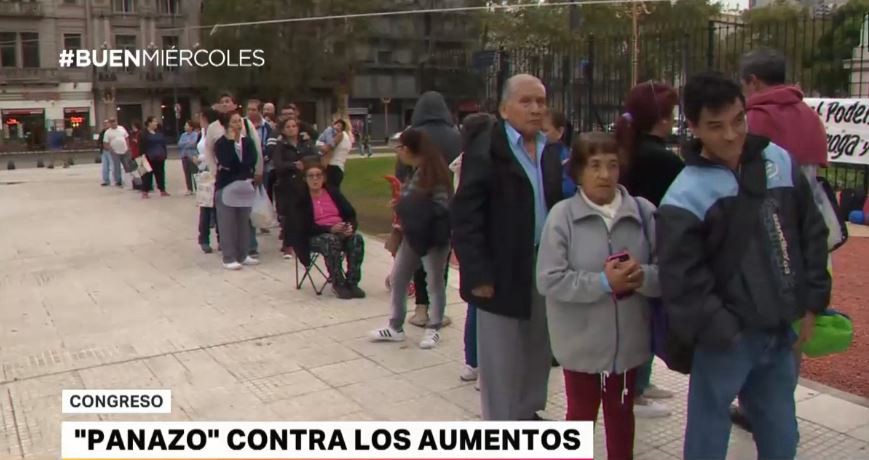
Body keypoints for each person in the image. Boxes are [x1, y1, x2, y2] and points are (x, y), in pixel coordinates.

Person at [656, 71, 831, 460]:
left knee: (781, 433)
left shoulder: (779, 160)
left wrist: (811, 304)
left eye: (738, 119)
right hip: (726, 338)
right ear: (695, 128)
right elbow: (682, 281)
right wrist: (724, 331)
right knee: (708, 433)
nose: (732, 135)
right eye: (716, 127)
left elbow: (812, 234)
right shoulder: (683, 195)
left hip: (780, 329)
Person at [537, 132, 660, 459]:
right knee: (579, 415)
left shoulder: (644, 213)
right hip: (581, 343)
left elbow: (667, 274)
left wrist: (641, 277)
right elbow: (548, 280)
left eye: (612, 165)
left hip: (628, 343)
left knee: (621, 417)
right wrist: (603, 283)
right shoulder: (562, 217)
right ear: (578, 171)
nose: (605, 174)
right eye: (594, 166)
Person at [451, 74, 566, 420]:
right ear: (504, 108)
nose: (535, 109)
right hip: (499, 270)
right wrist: (477, 273)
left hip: (542, 265)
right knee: (501, 358)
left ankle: (528, 412)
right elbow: (465, 217)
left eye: (541, 102)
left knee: (537, 347)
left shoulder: (548, 150)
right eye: (526, 102)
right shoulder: (487, 150)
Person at [732, 47, 834, 433]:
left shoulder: (756, 117)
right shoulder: (809, 115)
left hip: (767, 233)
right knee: (795, 323)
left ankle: (753, 404)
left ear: (753, 82)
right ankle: (780, 401)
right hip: (812, 231)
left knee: (756, 318)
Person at [613, 80, 684, 419]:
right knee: (646, 318)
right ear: (663, 118)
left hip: (624, 241)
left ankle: (641, 382)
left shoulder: (625, 149)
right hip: (652, 245)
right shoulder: (662, 161)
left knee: (638, 316)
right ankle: (637, 388)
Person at [370, 129, 453, 349]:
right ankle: (395, 326)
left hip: (433, 237)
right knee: (399, 277)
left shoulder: (434, 172)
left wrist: (411, 206)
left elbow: (442, 207)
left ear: (407, 149)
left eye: (399, 148)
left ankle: (434, 328)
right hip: (413, 235)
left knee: (434, 282)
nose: (399, 153)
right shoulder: (417, 171)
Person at [402, 91, 462, 328]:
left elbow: (402, 168)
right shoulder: (455, 135)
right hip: (445, 203)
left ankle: (420, 309)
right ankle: (438, 311)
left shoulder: (415, 135)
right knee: (440, 258)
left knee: (418, 254)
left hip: (419, 202)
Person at [453, 112, 498, 385]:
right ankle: (481, 365)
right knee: (484, 309)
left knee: (475, 308)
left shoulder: (463, 161)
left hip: (470, 244)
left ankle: (473, 362)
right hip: (481, 243)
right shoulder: (479, 163)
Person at [291, 162, 366, 299]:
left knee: (357, 239)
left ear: (324, 178)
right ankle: (338, 283)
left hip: (340, 231)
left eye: (318, 175)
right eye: (311, 176)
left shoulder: (333, 193)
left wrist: (349, 227)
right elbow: (302, 227)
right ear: (305, 179)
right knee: (330, 240)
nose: (315, 179)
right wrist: (329, 229)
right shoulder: (300, 199)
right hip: (314, 235)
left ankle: (352, 282)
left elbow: (350, 214)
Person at [214, 112, 259, 270]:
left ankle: (243, 254)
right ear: (227, 125)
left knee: (243, 222)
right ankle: (229, 257)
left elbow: (250, 161)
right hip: (226, 186)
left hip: (244, 185)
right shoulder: (221, 143)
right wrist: (230, 142)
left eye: (239, 121)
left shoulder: (247, 142)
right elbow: (227, 162)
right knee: (227, 223)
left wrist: (241, 170)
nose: (238, 125)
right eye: (234, 122)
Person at [270, 118, 318, 259]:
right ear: (284, 130)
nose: (291, 129)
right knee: (289, 215)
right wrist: (293, 165)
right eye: (288, 127)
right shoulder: (281, 146)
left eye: (293, 126)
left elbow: (315, 158)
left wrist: (306, 164)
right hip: (287, 185)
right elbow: (278, 164)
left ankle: (307, 243)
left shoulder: (306, 144)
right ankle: (288, 244)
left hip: (304, 183)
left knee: (306, 213)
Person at [195, 109, 220, 253]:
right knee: (205, 208)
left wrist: (201, 158)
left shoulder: (215, 132)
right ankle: (204, 238)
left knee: (218, 208)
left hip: (214, 170)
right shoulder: (202, 133)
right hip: (204, 173)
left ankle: (220, 237)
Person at [541, 111, 577, 198]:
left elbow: (568, 190)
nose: (540, 135)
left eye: (544, 131)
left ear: (560, 132)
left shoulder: (564, 157)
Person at [140, 116, 169, 199]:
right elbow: (141, 145)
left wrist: (165, 153)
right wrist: (142, 155)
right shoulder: (144, 133)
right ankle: (145, 191)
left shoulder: (159, 132)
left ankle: (162, 190)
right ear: (149, 123)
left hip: (160, 156)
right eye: (154, 121)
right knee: (147, 174)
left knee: (160, 173)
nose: (156, 123)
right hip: (149, 157)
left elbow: (163, 143)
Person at [320, 119, 352, 188]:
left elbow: (328, 148)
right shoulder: (348, 138)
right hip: (339, 168)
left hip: (333, 167)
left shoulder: (340, 135)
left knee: (330, 193)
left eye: (337, 125)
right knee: (334, 194)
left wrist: (318, 146)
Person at [103, 118, 129, 188]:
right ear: (110, 124)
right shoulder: (107, 132)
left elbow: (126, 137)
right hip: (115, 152)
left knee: (127, 165)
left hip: (124, 150)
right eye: (111, 122)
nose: (113, 123)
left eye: (114, 122)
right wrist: (111, 150)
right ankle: (118, 180)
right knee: (116, 167)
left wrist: (128, 146)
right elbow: (105, 143)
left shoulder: (122, 128)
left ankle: (129, 179)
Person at [178, 120, 200, 195]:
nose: (185, 127)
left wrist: (185, 144)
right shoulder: (183, 135)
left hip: (193, 155)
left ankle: (197, 188)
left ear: (191, 127)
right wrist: (187, 143)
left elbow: (194, 143)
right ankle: (189, 189)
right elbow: (179, 144)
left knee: (195, 172)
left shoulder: (195, 134)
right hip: (184, 156)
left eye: (186, 125)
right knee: (187, 173)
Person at [97, 120, 110, 186]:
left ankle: (114, 180)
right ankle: (106, 180)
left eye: (106, 123)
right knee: (105, 166)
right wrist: (100, 146)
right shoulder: (102, 132)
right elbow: (99, 141)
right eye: (104, 124)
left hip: (110, 150)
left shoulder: (111, 131)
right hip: (104, 151)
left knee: (112, 166)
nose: (105, 125)